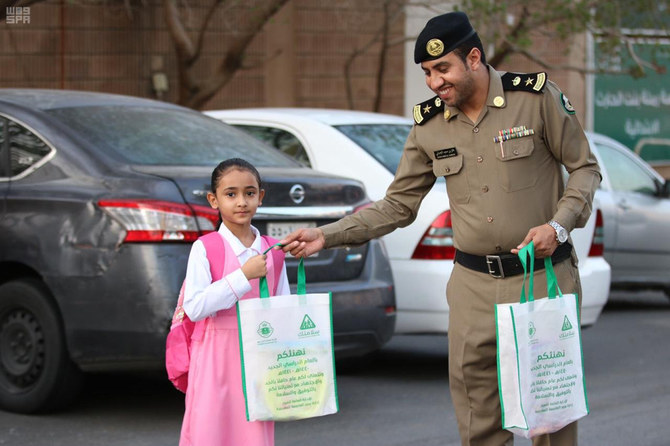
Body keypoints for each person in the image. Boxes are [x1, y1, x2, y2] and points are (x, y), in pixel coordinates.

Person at [279, 11, 601, 446]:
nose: (433, 83)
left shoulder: (535, 98)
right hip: (472, 287)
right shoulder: (429, 124)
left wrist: (559, 226)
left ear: (473, 58)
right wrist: (328, 234)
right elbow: (398, 204)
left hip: (542, 278)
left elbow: (584, 169)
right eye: (427, 73)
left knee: (550, 418)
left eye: (441, 69)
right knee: (478, 418)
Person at [179, 158, 290, 446]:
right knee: (210, 430)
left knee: (253, 434)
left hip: (260, 359)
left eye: (249, 193)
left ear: (260, 197)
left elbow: (283, 308)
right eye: (231, 194)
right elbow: (194, 307)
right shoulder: (205, 248)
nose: (241, 202)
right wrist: (242, 277)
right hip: (215, 357)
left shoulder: (273, 252)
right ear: (213, 200)